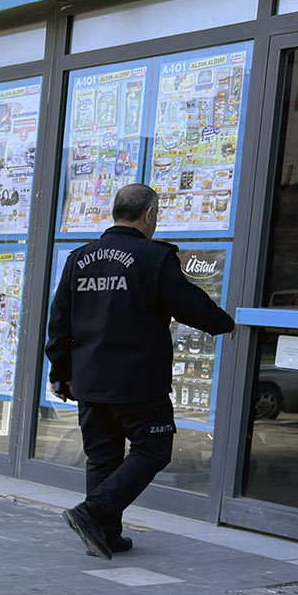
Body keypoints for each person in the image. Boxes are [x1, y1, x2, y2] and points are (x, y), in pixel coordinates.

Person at [48, 183, 235, 559]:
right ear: (149, 214)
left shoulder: (79, 258)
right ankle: (93, 513)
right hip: (137, 381)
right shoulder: (154, 256)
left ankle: (103, 534)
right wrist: (224, 323)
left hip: (90, 379)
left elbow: (60, 322)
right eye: (157, 214)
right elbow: (187, 303)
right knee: (153, 449)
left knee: (103, 457)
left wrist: (61, 372)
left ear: (116, 211)